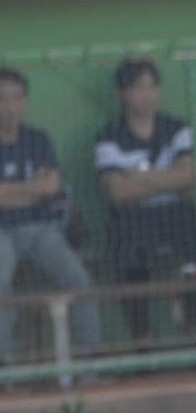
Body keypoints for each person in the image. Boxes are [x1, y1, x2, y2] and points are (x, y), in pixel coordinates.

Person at [94, 57, 196, 343]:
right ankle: (143, 338)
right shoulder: (109, 136)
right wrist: (167, 178)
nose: (146, 95)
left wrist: (139, 177)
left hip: (176, 213)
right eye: (137, 87)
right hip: (133, 218)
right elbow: (118, 192)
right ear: (122, 93)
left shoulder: (176, 128)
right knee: (128, 257)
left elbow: (189, 176)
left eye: (151, 86)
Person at [0, 67, 101, 366]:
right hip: (2, 233)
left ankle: (93, 363)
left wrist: (10, 192)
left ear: (25, 101)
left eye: (16, 98)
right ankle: (6, 369)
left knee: (79, 279)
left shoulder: (37, 138)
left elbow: (52, 186)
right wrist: (33, 189)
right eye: (2, 99)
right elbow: (40, 188)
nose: (9, 107)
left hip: (42, 229)